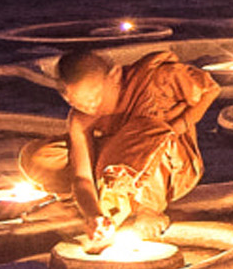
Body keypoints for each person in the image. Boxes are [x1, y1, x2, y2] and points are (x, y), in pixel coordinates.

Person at [21, 47, 219, 238]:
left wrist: (181, 124)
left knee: (145, 130)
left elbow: (211, 89)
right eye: (78, 104)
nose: (91, 107)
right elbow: (82, 178)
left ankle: (146, 208)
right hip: (112, 164)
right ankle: (76, 204)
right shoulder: (81, 118)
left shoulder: (156, 80)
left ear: (115, 76)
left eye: (95, 98)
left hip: (168, 163)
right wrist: (92, 215)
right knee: (41, 157)